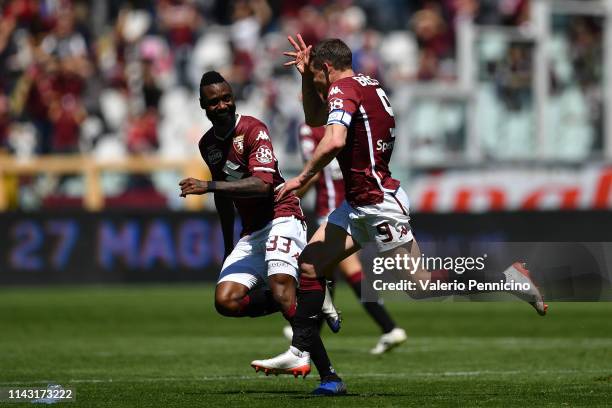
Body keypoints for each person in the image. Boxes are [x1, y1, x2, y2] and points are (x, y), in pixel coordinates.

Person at [251, 35, 547, 393]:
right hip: (360, 202)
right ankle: (310, 359)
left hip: (378, 204)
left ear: (327, 68)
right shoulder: (367, 83)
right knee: (310, 263)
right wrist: (304, 76)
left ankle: (504, 278)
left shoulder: (343, 91)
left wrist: (303, 176)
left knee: (421, 286)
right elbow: (317, 120)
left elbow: (334, 140)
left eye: (315, 75)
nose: (314, 81)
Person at [179, 71, 342, 395]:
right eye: (214, 101)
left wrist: (208, 185)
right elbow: (225, 198)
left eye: (227, 98)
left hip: (283, 215)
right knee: (226, 301)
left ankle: (330, 377)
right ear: (203, 106)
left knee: (282, 290)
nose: (222, 105)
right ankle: (310, 295)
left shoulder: (253, 129)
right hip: (253, 231)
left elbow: (263, 184)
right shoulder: (207, 144)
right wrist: (228, 245)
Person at [282, 122, 407, 355]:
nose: (302, 92)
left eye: (307, 84)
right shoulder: (346, 122)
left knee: (336, 268)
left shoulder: (310, 128)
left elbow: (314, 172)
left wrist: (289, 198)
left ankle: (388, 327)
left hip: (332, 211)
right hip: (353, 206)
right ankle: (311, 330)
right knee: (325, 271)